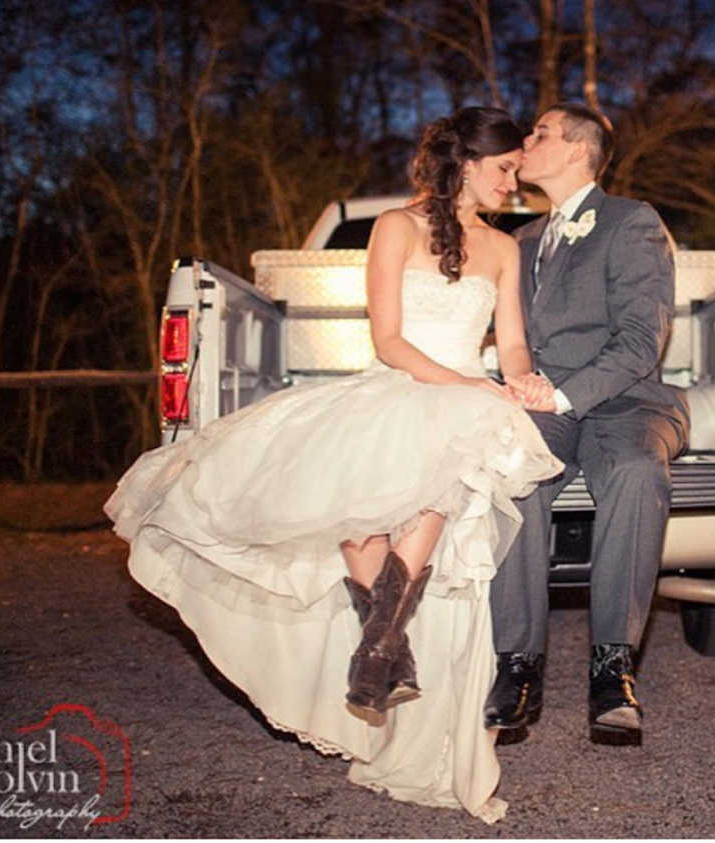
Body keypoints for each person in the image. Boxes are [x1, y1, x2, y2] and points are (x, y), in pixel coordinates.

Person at [105, 106, 563, 823]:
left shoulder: (503, 249)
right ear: (468, 164)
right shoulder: (395, 228)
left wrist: (518, 377)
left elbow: (511, 345)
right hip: (405, 385)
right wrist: (464, 382)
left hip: (466, 406)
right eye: (505, 168)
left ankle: (375, 654)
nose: (514, 182)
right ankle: (388, 653)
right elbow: (387, 340)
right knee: (361, 521)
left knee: (442, 475)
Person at [483, 102, 690, 745]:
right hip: (545, 404)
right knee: (512, 471)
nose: (526, 141)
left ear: (578, 150)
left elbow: (638, 341)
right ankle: (517, 666)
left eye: (539, 133)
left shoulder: (631, 222)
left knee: (633, 471)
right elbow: (510, 339)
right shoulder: (518, 242)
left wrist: (562, 396)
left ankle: (612, 668)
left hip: (626, 400)